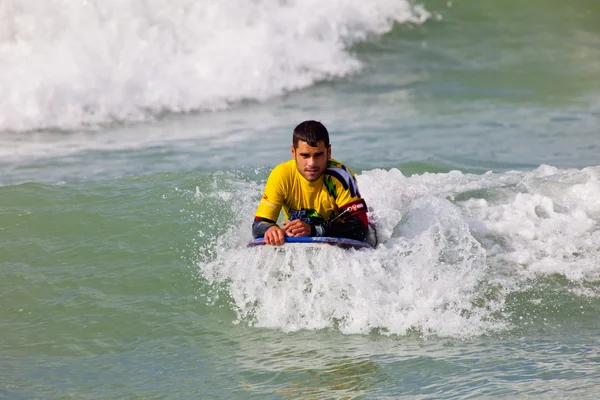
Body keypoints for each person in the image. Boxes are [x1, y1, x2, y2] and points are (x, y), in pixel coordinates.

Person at [252, 120, 375, 246]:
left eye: (318, 155)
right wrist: (270, 230)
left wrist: (313, 230)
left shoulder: (340, 176)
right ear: (293, 153)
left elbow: (361, 229)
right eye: (305, 155)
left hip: (344, 231)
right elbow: (259, 224)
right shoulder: (281, 175)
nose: (312, 163)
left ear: (329, 152)